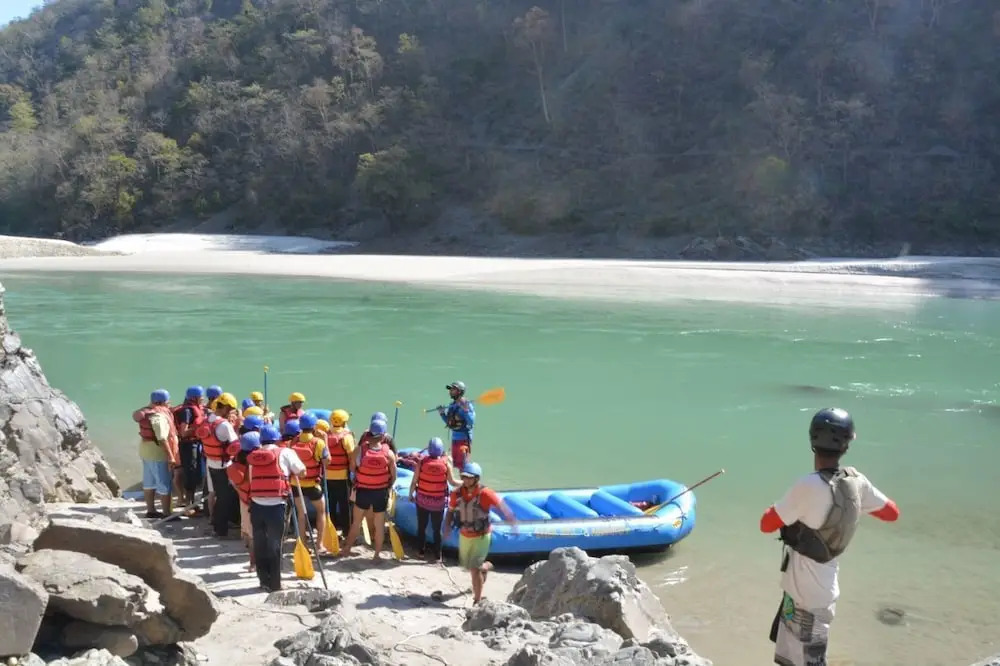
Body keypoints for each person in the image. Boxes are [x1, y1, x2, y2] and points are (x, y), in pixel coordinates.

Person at [759, 408, 900, 666]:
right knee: (798, 659)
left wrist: (779, 508)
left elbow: (766, 524)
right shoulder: (856, 482)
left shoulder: (808, 485)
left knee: (807, 661)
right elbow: (892, 513)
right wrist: (854, 507)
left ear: (812, 441)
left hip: (804, 595)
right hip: (823, 587)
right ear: (846, 445)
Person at [444, 461, 516, 604]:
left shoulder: (485, 493)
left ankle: (477, 601)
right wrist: (446, 527)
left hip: (481, 536)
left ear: (476, 478)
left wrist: (512, 522)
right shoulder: (456, 494)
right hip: (465, 534)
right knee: (467, 566)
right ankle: (486, 566)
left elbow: (502, 507)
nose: (466, 480)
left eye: (469, 477)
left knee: (474, 569)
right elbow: (450, 511)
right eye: (464, 477)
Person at [248, 424, 306, 592]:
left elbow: (252, 479)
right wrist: (291, 473)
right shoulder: (285, 452)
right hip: (276, 505)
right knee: (275, 544)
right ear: (277, 438)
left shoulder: (254, 456)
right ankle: (275, 584)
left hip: (256, 505)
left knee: (260, 543)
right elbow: (302, 471)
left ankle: (263, 580)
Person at [342, 419, 396, 560]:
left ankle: (346, 549)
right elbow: (393, 475)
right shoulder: (389, 453)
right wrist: (387, 485)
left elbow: (352, 469)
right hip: (380, 492)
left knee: (356, 522)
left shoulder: (359, 450)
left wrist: (358, 479)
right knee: (379, 525)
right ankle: (376, 555)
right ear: (383, 436)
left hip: (363, 491)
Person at [408, 437, 461, 560]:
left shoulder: (422, 462)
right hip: (438, 503)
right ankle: (437, 555)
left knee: (422, 527)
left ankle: (421, 552)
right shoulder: (446, 464)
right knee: (437, 530)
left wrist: (410, 495)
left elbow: (414, 481)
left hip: (422, 501)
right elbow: (452, 482)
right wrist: (465, 482)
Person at [132, 389, 180, 519]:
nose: (169, 403)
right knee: (164, 483)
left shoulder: (148, 412)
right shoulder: (159, 417)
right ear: (162, 402)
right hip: (157, 454)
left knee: (149, 482)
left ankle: (151, 510)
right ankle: (167, 513)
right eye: (168, 401)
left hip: (145, 451)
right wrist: (171, 456)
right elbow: (162, 438)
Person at [200, 391, 241, 539]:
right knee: (225, 498)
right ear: (225, 408)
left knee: (218, 496)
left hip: (211, 464)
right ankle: (221, 530)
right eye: (230, 410)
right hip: (224, 466)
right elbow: (236, 444)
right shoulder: (224, 425)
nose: (230, 413)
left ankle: (217, 526)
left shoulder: (207, 420)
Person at [290, 412, 330, 554]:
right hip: (313, 484)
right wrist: (325, 440)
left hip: (296, 484)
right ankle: (319, 545)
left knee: (301, 514)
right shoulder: (318, 443)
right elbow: (327, 462)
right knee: (321, 511)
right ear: (314, 427)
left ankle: (304, 545)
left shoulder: (294, 441)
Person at [226, 431, 258, 571]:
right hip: (262, 501)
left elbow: (234, 484)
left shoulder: (234, 465)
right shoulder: (261, 463)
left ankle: (253, 563)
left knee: (249, 534)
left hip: (245, 502)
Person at [172, 385, 206, 514]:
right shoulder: (187, 411)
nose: (203, 398)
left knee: (197, 474)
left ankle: (192, 504)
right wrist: (198, 428)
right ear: (194, 397)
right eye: (201, 396)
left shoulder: (195, 409)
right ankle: (188, 506)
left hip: (195, 444)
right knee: (190, 474)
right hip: (188, 445)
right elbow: (183, 432)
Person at [324, 409, 356, 534]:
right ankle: (346, 531)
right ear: (344, 422)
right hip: (342, 476)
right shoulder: (346, 437)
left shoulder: (325, 435)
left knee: (330, 504)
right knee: (344, 505)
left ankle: (331, 530)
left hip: (327, 476)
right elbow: (351, 457)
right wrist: (354, 474)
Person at [438, 381, 475, 468]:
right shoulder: (452, 405)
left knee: (464, 466)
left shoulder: (467, 404)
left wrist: (466, 411)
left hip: (464, 440)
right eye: (450, 389)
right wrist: (442, 413)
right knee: (456, 464)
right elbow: (450, 423)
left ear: (459, 391)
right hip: (455, 439)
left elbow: (471, 422)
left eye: (453, 389)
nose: (450, 391)